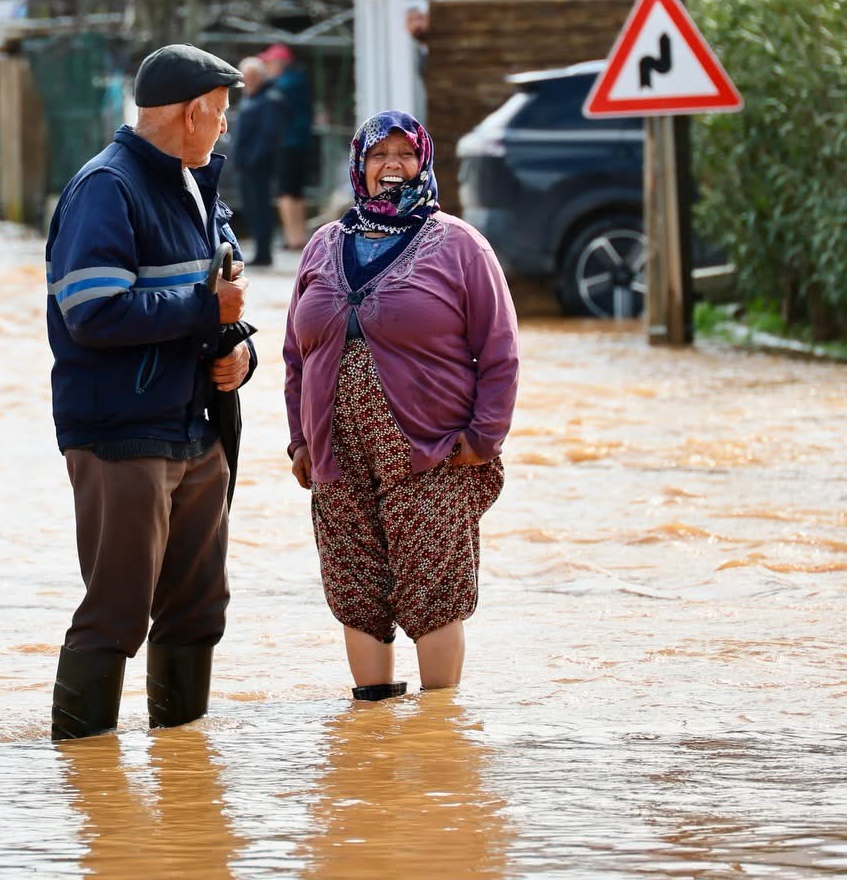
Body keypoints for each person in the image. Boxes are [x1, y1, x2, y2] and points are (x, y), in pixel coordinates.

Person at [45, 43, 255, 741]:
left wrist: (241, 352)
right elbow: (92, 310)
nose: (223, 127)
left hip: (195, 428)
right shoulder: (106, 188)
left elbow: (222, 297)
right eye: (219, 113)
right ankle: (87, 785)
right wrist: (207, 314)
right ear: (193, 111)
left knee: (199, 611)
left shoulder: (195, 184)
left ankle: (183, 787)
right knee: (116, 610)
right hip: (121, 432)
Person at [282, 110, 518, 701]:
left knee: (432, 589)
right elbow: (294, 356)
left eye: (404, 154)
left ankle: (441, 738)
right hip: (337, 454)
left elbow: (500, 353)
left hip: (432, 452)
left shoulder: (459, 245)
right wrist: (300, 441)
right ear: (359, 166)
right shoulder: (323, 244)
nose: (392, 166)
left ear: (423, 160)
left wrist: (481, 440)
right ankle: (374, 737)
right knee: (356, 590)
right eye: (378, 155)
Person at [259, 43, 314, 251]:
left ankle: (292, 238)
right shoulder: (299, 80)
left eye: (269, 63)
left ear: (279, 62)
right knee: (297, 192)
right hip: (302, 142)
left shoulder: (281, 85)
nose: (267, 67)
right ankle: (299, 236)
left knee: (285, 193)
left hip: (286, 144)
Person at [230, 55, 280, 266]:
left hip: (258, 166)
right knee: (250, 208)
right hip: (245, 166)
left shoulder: (269, 99)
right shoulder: (249, 98)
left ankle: (264, 253)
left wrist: (252, 160)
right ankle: (259, 251)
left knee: (261, 208)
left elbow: (268, 135)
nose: (247, 81)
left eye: (251, 76)